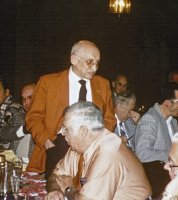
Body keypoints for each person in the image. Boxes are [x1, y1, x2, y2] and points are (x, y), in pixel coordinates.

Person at [26, 40, 116, 175]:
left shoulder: (103, 85)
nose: (95, 68)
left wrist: (98, 143)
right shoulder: (48, 82)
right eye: (90, 62)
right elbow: (33, 117)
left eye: (97, 63)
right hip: (56, 147)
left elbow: (109, 119)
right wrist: (47, 142)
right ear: (74, 59)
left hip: (91, 150)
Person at [45, 101, 152, 200]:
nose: (63, 134)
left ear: (83, 131)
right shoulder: (77, 148)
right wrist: (56, 189)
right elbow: (55, 176)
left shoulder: (109, 152)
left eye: (66, 129)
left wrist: (68, 189)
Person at [135, 82, 178, 198]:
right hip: (157, 182)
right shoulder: (150, 119)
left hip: (171, 178)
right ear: (167, 103)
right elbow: (142, 154)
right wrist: (172, 156)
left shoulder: (173, 120)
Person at [14, 83, 36, 164]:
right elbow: (3, 133)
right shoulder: (19, 114)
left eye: (30, 97)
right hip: (15, 163)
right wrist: (24, 129)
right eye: (23, 99)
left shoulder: (48, 118)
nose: (26, 102)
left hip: (34, 168)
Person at [0, 78, 25, 150]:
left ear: (7, 92)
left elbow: (22, 133)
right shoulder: (4, 108)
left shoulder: (14, 109)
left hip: (13, 156)